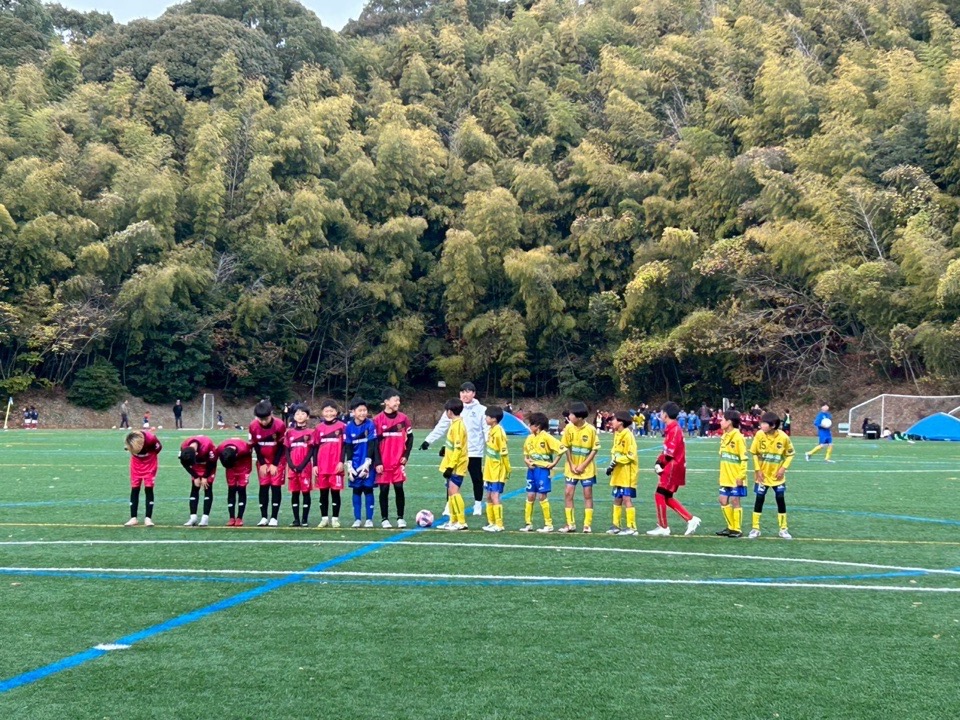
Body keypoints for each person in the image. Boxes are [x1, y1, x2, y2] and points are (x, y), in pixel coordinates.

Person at [421, 382, 488, 517]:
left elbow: (486, 429)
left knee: (476, 478)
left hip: (474, 451)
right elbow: (441, 426)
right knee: (451, 480)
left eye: (468, 391)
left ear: (474, 394)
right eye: (462, 392)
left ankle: (477, 504)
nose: (465, 394)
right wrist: (428, 440)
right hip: (456, 453)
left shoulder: (481, 410)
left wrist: (489, 443)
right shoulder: (454, 407)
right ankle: (449, 505)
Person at [647, 402, 701, 536]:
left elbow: (670, 453)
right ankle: (690, 519)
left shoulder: (674, 429)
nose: (660, 414)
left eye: (661, 412)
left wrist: (661, 464)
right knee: (666, 497)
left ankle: (663, 527)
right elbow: (666, 450)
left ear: (665, 414)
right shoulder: (672, 428)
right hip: (673, 466)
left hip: (673, 466)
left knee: (659, 494)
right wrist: (659, 461)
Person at [749, 411, 796, 539]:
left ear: (773, 425)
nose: (761, 425)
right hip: (762, 476)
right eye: (761, 423)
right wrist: (757, 470)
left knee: (780, 498)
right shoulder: (759, 435)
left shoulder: (783, 437)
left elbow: (791, 454)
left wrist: (783, 468)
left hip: (777, 476)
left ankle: (783, 529)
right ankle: (755, 528)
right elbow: (754, 453)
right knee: (759, 499)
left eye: (764, 423)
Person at [372, 387, 413, 528]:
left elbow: (410, 437)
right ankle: (384, 519)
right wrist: (377, 462)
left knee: (399, 487)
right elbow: (374, 443)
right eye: (395, 400)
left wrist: (406, 455)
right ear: (386, 402)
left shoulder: (403, 419)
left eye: (399, 400)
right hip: (383, 463)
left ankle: (400, 517)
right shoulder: (377, 420)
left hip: (398, 462)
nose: (398, 403)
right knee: (384, 490)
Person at [558, 401, 600, 534]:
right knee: (568, 493)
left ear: (580, 417)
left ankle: (587, 525)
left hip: (586, 469)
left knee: (588, 494)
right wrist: (571, 464)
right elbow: (566, 447)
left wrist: (583, 465)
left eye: (571, 414)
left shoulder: (591, 429)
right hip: (572, 468)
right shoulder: (568, 428)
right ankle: (570, 524)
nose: (569, 416)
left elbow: (594, 450)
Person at [520, 412, 563, 533]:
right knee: (530, 495)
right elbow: (526, 455)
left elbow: (561, 449)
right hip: (531, 470)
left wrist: (553, 463)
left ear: (537, 426)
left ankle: (548, 524)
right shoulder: (529, 438)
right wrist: (527, 462)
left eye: (531, 424)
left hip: (543, 470)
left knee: (542, 496)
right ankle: (528, 524)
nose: (529, 426)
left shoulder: (546, 437)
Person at [248, 400, 286, 527]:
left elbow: (281, 446)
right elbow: (255, 445)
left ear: (271, 414)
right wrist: (262, 463)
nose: (263, 422)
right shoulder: (253, 426)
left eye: (266, 419)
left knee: (275, 487)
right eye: (260, 419)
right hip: (263, 460)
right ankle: (264, 517)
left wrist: (275, 464)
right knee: (263, 486)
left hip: (277, 460)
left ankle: (274, 517)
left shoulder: (280, 425)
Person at [343, 397, 377, 528]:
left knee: (368, 489)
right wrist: (350, 465)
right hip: (355, 464)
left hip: (367, 464)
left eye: (364, 410)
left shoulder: (370, 424)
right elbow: (348, 447)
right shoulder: (348, 427)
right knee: (356, 490)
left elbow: (372, 445)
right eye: (360, 410)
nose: (363, 413)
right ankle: (357, 519)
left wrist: (367, 463)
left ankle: (369, 519)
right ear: (353, 412)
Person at [437, 398, 469, 531]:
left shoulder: (458, 426)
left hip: (457, 465)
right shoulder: (455, 424)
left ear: (449, 412)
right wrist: (445, 449)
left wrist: (451, 466)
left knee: (454, 492)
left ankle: (461, 521)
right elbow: (453, 444)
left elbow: (458, 449)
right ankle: (453, 520)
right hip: (452, 462)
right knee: (451, 492)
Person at [313, 400, 346, 528]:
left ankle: (335, 519)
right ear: (322, 413)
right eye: (326, 411)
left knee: (335, 493)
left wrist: (341, 461)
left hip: (336, 466)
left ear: (336, 412)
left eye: (331, 411)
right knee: (323, 493)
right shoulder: (318, 428)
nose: (329, 413)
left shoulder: (342, 426)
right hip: (322, 466)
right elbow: (315, 448)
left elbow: (344, 446)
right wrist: (315, 465)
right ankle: (324, 518)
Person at [604, 411, 639, 535]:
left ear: (620, 422)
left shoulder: (628, 435)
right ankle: (616, 525)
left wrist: (617, 460)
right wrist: (612, 465)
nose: (611, 422)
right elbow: (615, 452)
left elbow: (631, 455)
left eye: (614, 419)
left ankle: (632, 527)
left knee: (626, 498)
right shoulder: (617, 434)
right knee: (617, 497)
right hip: (618, 473)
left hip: (627, 473)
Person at [715, 410, 747, 538]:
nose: (720, 422)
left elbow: (744, 459)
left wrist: (741, 476)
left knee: (735, 500)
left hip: (736, 477)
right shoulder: (724, 436)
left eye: (723, 419)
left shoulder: (738, 437)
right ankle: (730, 527)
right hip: (725, 476)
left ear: (729, 422)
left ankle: (737, 529)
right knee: (722, 500)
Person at [284, 404, 315, 527]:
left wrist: (303, 464)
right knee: (295, 493)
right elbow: (286, 450)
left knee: (306, 492)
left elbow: (312, 450)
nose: (300, 416)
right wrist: (290, 464)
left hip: (305, 467)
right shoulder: (289, 432)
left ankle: (304, 519)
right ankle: (296, 519)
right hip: (293, 467)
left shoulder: (311, 432)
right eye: (297, 414)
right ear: (294, 416)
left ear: (307, 416)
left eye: (303, 413)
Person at [481, 405, 510, 533]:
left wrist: (507, 469)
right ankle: (491, 522)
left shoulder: (499, 432)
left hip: (497, 470)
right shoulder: (491, 430)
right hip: (489, 470)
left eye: (487, 416)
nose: (485, 418)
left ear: (494, 419)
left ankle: (499, 524)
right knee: (488, 496)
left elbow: (504, 453)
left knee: (494, 495)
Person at [124, 430, 162, 527]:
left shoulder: (151, 439)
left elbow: (159, 448)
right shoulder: (131, 439)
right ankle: (133, 518)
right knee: (135, 488)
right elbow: (128, 448)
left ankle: (148, 518)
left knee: (149, 488)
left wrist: (148, 454)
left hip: (150, 462)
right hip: (136, 463)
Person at [179, 435, 218, 527]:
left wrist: (205, 476)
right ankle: (193, 517)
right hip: (196, 466)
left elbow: (213, 462)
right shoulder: (184, 446)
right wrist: (195, 476)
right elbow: (184, 463)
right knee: (195, 487)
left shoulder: (208, 445)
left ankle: (205, 518)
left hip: (208, 465)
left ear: (196, 453)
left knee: (207, 487)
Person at [217, 437, 252, 527]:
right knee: (231, 489)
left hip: (244, 466)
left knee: (241, 489)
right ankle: (231, 517)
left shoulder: (245, 449)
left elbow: (249, 461)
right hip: (230, 467)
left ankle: (239, 517)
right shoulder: (220, 449)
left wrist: (247, 472)